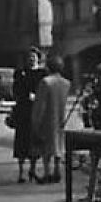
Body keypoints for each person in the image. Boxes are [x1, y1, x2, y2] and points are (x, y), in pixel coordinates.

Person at [32, 52, 71, 184]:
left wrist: (36, 121)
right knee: (58, 145)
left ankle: (47, 172)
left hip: (48, 118)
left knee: (46, 147)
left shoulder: (45, 82)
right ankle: (57, 170)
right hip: (61, 117)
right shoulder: (66, 83)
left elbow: (40, 104)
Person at [12, 47, 45, 183]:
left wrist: (38, 97)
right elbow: (15, 90)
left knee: (34, 141)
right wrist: (25, 96)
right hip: (22, 110)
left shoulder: (43, 73)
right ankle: (21, 172)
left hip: (36, 110)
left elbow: (44, 90)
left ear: (38, 58)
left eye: (34, 57)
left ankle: (32, 169)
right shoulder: (20, 73)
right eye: (29, 57)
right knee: (21, 141)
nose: (31, 59)